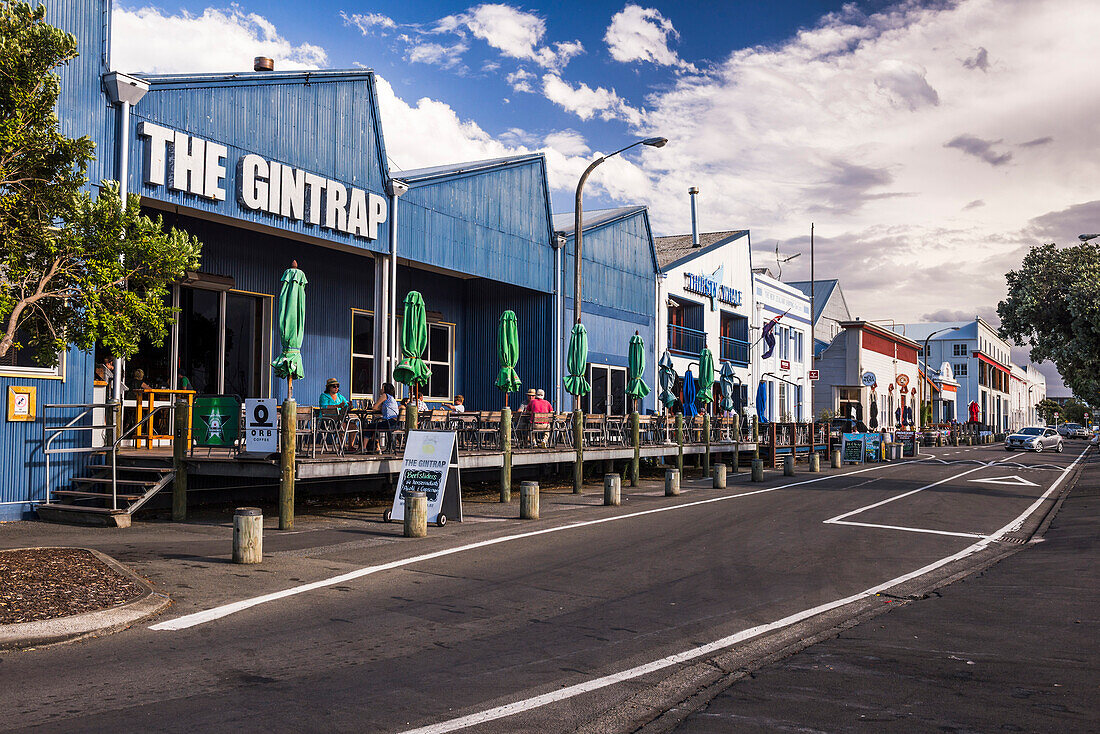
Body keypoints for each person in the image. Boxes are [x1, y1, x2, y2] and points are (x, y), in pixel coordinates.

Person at [365, 383, 400, 452]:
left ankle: (364, 447)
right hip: (396, 423)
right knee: (375, 425)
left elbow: (374, 407)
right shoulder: (392, 398)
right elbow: (383, 409)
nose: (381, 389)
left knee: (370, 426)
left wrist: (373, 407)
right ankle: (376, 447)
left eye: (382, 388)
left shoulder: (384, 396)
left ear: (385, 390)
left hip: (390, 423)